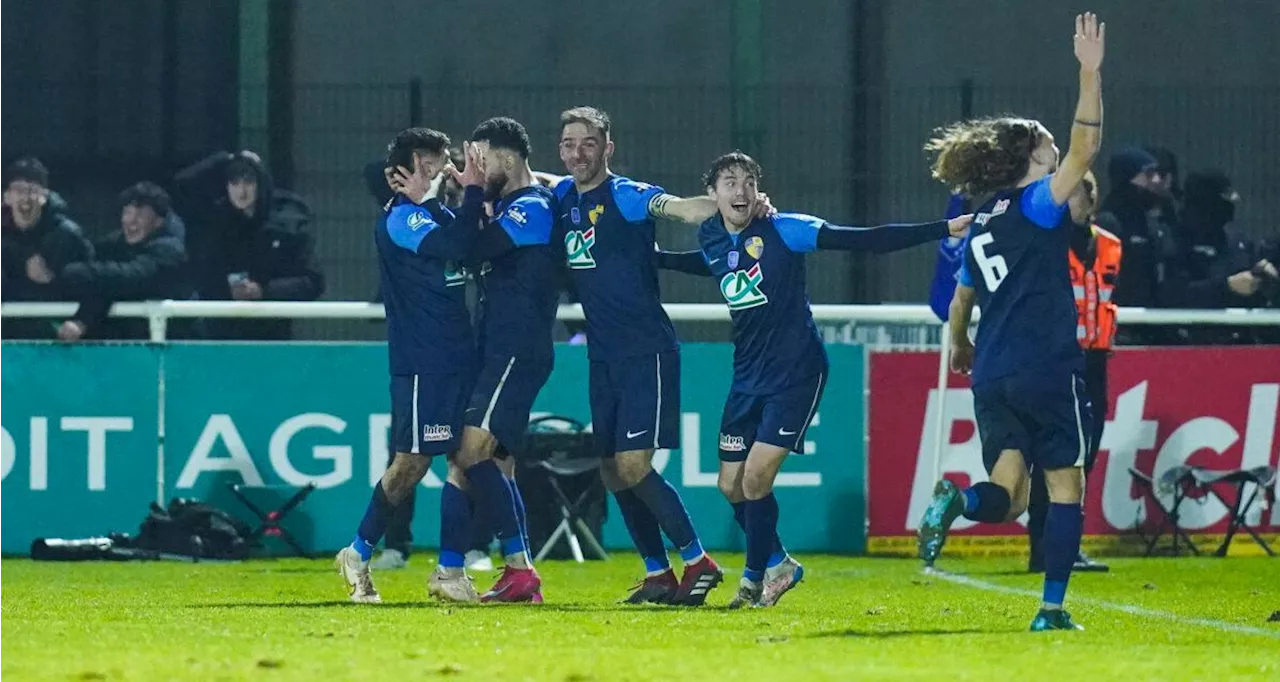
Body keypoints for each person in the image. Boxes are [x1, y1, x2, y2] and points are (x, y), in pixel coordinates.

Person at [661, 151, 969, 608]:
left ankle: (751, 583)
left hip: (797, 372)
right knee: (730, 485)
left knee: (756, 480)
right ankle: (781, 562)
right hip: (747, 375)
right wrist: (653, 259)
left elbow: (865, 241)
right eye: (729, 182)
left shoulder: (786, 229)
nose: (740, 190)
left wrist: (943, 229)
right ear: (713, 193)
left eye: (748, 181)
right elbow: (707, 262)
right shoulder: (711, 236)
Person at [916, 12, 1105, 632]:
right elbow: (1086, 146)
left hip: (993, 372)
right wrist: (1089, 72)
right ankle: (1051, 609)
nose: (1057, 149)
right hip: (1044, 365)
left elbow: (962, 297)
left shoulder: (982, 220)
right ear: (1031, 154)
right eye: (1047, 143)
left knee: (1010, 493)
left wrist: (960, 342)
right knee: (1066, 485)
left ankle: (959, 500)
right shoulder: (1037, 202)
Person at [549, 106, 742, 605]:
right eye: (569, 143)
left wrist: (731, 203)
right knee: (613, 470)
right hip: (603, 357)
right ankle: (658, 573)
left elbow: (679, 208)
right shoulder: (560, 196)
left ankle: (699, 561)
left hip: (646, 352)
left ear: (607, 148)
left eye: (588, 143)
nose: (578, 153)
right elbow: (534, 182)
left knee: (634, 465)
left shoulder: (629, 196)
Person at [334, 127, 485, 603]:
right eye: (428, 164)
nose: (440, 170)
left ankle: (451, 570)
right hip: (424, 362)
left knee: (468, 458)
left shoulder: (437, 214)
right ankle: (357, 552)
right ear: (401, 174)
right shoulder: (402, 220)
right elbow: (457, 246)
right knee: (412, 463)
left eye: (442, 161)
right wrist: (475, 189)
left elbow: (470, 238)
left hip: (459, 356)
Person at [427, 117, 559, 604]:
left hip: (516, 349)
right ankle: (506, 574)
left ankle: (467, 569)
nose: (472, 168)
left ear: (508, 157)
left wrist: (474, 195)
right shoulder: (503, 205)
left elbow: (474, 249)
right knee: (489, 466)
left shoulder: (534, 207)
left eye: (479, 158)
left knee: (466, 452)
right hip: (493, 348)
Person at [1026, 171, 1115, 574]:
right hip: (1057, 357)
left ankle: (1064, 547)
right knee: (1055, 457)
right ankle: (1042, 549)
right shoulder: (1047, 243)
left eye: (1082, 192)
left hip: (1095, 361)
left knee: (1086, 455)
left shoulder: (1111, 245)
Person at [172, 150, 324, 340]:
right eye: (234, 183)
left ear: (260, 184)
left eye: (248, 183)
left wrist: (263, 291)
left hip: (271, 335)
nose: (241, 191)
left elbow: (313, 281)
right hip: (218, 332)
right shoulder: (218, 218)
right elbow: (181, 185)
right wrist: (227, 158)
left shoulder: (287, 221)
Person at [57, 182, 189, 341]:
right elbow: (107, 287)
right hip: (132, 348)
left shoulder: (170, 250)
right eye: (127, 213)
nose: (131, 221)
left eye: (140, 215)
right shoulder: (115, 245)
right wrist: (82, 321)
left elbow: (133, 278)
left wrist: (82, 272)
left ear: (158, 221)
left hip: (179, 348)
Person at [0, 157, 91, 339]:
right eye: (19, 190)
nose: (26, 198)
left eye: (32, 190)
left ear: (44, 196)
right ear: (7, 197)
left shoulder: (67, 235)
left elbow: (94, 284)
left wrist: (81, 322)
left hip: (58, 337)